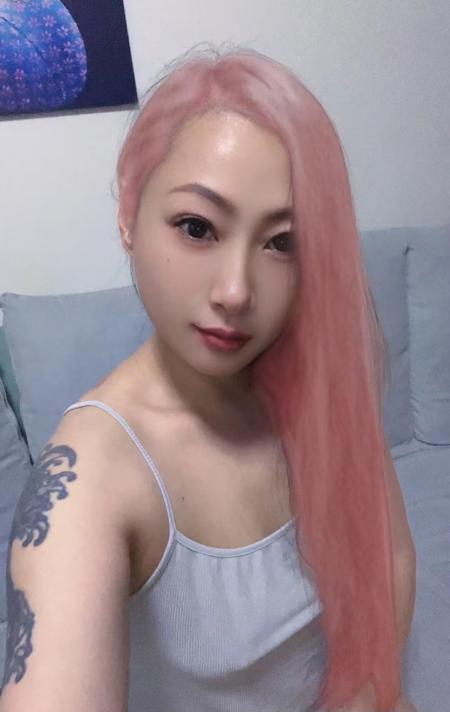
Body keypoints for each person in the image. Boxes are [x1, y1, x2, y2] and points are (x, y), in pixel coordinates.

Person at [0, 43, 418, 711]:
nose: (235, 291)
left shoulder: (314, 382)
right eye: (197, 228)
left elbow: (388, 564)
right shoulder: (89, 481)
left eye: (282, 242)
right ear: (128, 212)